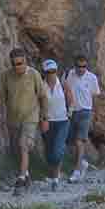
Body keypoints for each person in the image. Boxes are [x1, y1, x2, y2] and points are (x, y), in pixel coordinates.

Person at [0, 48, 48, 193]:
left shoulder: (34, 75)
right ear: (11, 64)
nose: (18, 67)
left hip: (30, 118)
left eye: (21, 63)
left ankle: (21, 179)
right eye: (15, 64)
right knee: (15, 150)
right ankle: (26, 173)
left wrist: (45, 118)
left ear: (25, 61)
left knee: (23, 145)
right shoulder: (6, 76)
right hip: (13, 119)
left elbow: (43, 97)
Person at [64, 53, 101, 183]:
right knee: (72, 141)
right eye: (79, 66)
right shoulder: (69, 75)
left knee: (80, 140)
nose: (81, 69)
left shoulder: (92, 78)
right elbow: (66, 91)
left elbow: (95, 96)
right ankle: (82, 163)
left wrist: (95, 114)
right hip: (72, 112)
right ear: (75, 66)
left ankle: (77, 170)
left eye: (84, 66)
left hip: (86, 111)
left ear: (86, 66)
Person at [39, 60, 70, 191]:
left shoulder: (62, 84)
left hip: (62, 121)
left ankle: (56, 179)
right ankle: (53, 177)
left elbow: (70, 98)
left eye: (53, 71)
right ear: (44, 73)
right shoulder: (40, 86)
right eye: (48, 72)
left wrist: (70, 112)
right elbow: (37, 104)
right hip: (47, 121)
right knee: (49, 152)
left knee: (57, 150)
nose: (51, 74)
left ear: (56, 71)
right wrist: (41, 119)